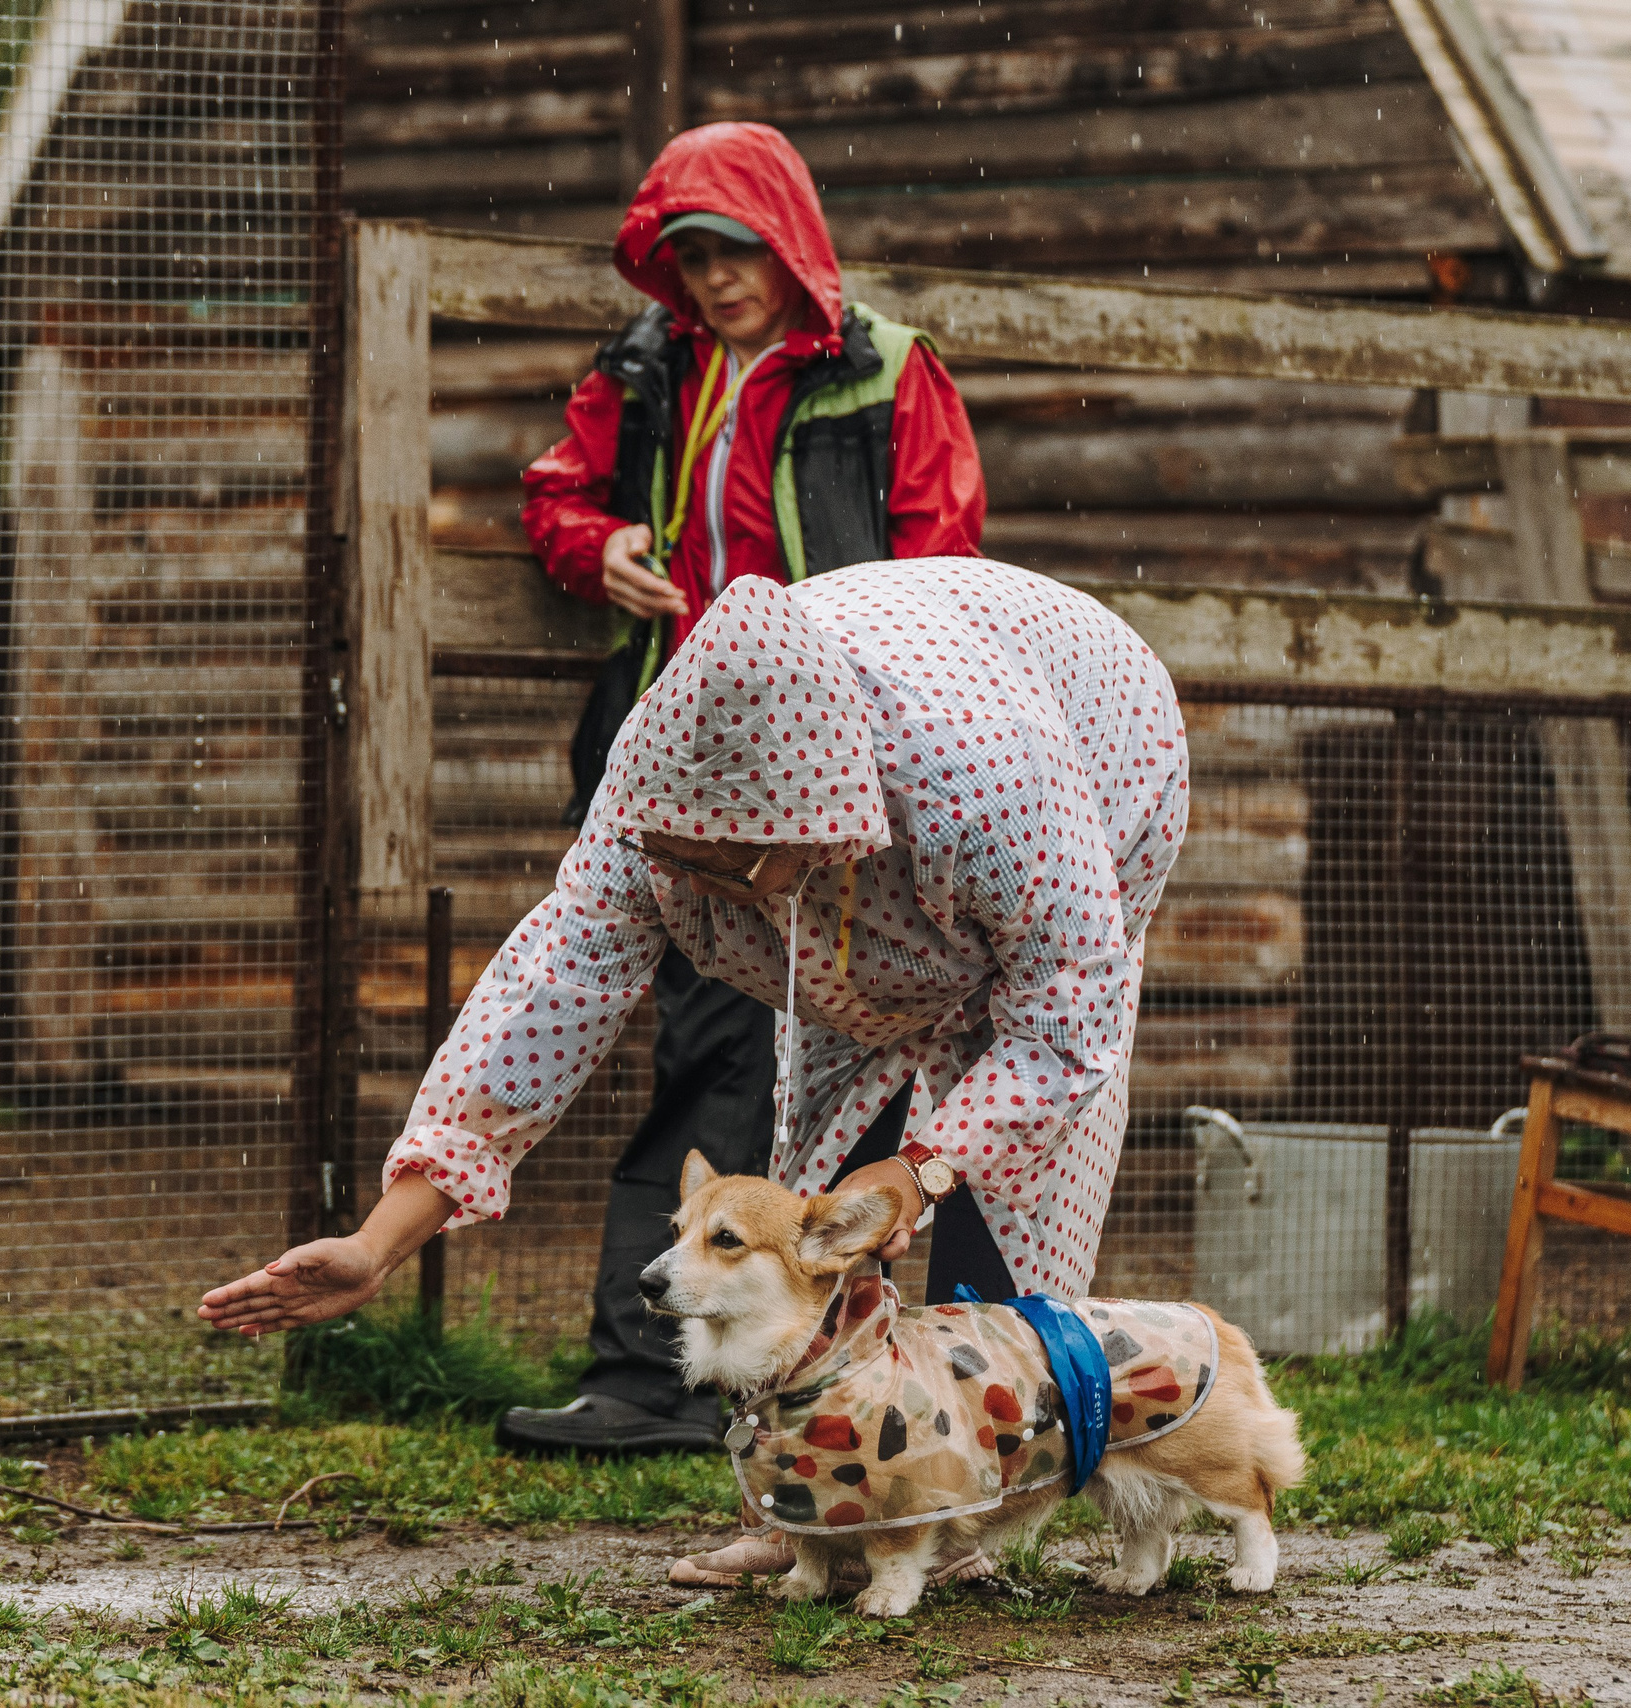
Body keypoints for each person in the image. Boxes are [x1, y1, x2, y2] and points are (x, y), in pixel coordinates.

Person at [201, 563, 1188, 1583]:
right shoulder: (652, 807)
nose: (692, 884)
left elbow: (1065, 1024)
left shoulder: (985, 788)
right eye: (677, 858)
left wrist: (922, 1170)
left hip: (1098, 750)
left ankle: (959, 1514)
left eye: (723, 867)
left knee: (1000, 1194)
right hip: (856, 924)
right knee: (812, 1214)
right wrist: (378, 1241)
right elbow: (538, 1008)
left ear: (814, 821)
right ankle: (811, 1504)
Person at [506, 120, 988, 1455]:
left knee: (890, 1073)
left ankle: (898, 1376)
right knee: (707, 1056)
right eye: (688, 256)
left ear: (787, 240)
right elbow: (557, 486)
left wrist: (888, 732)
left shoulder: (883, 370)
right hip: (685, 760)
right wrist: (592, 542)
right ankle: (649, 1377)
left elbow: (939, 557)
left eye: (735, 250)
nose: (715, 280)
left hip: (847, 774)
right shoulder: (646, 368)